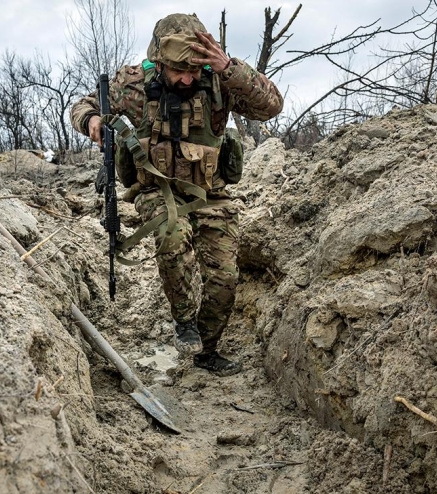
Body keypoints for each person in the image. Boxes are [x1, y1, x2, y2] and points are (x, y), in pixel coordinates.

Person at [71, 13, 283, 376]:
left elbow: (271, 106)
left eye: (194, 70)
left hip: (210, 194)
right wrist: (90, 119)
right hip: (156, 189)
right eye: (178, 71)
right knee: (172, 233)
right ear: (160, 61)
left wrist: (230, 67)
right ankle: (184, 320)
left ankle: (208, 347)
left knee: (225, 275)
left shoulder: (220, 80)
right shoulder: (133, 85)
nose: (187, 78)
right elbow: (82, 106)